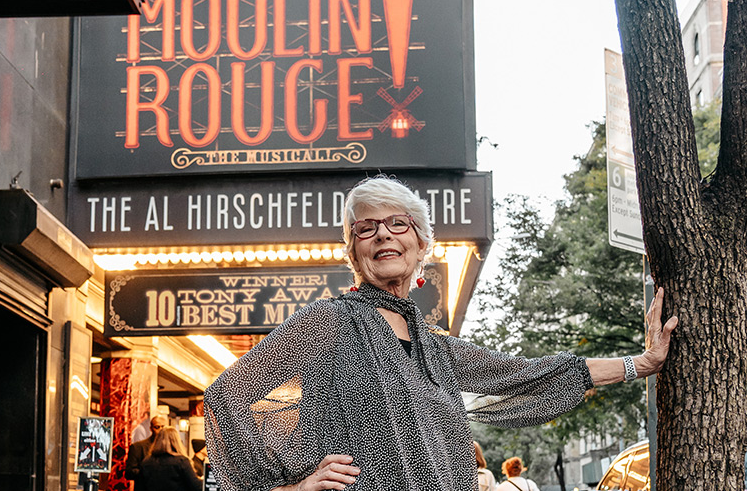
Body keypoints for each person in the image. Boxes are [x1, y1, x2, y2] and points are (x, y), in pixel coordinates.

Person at [203, 175, 679, 491]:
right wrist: (291, 486)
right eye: (366, 228)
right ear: (353, 252)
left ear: (422, 243)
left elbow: (529, 374)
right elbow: (226, 396)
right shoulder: (326, 323)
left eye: (397, 223)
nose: (383, 235)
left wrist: (641, 364)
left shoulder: (434, 346)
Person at [139, 427, 203, 491]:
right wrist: (204, 480)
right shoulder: (181, 461)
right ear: (177, 441)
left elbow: (140, 487)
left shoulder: (146, 462)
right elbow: (196, 486)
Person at [125, 415, 167, 487]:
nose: (160, 430)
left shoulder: (170, 447)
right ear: (151, 429)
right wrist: (149, 472)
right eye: (157, 427)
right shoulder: (138, 447)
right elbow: (129, 473)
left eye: (163, 427)